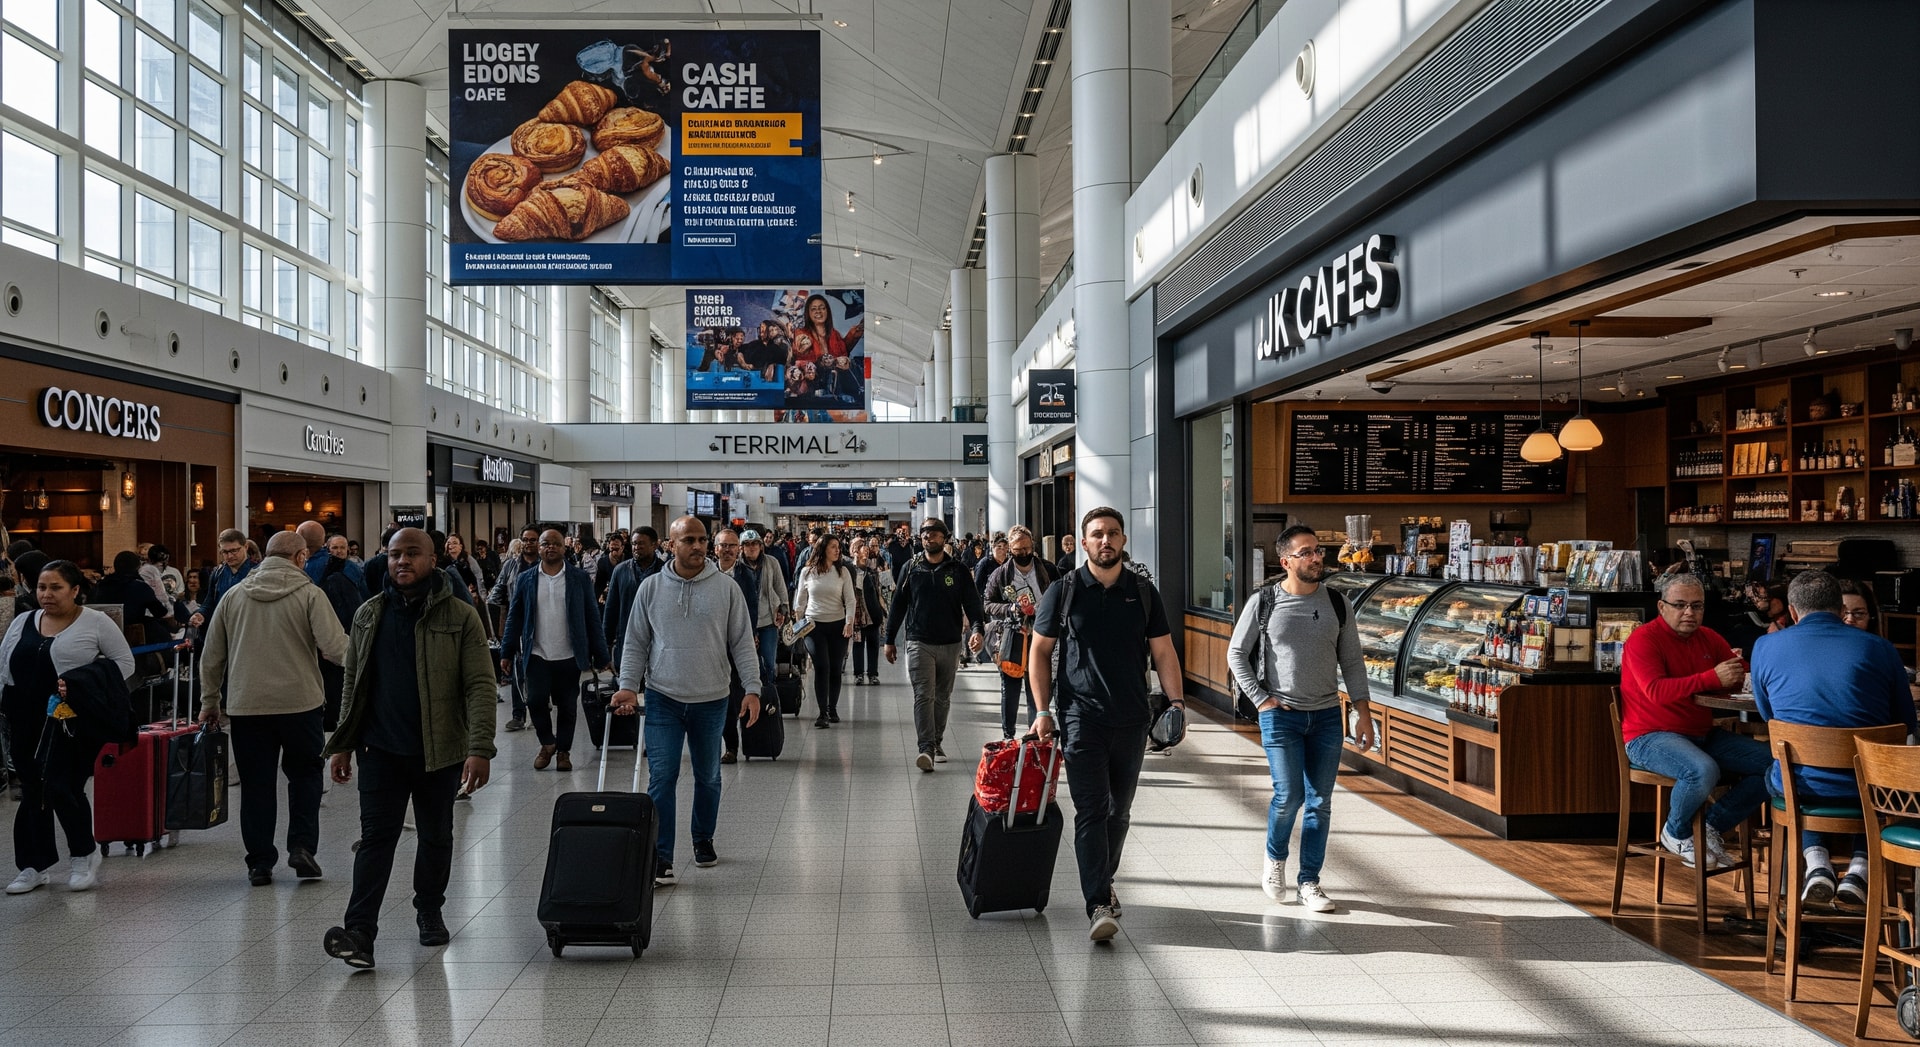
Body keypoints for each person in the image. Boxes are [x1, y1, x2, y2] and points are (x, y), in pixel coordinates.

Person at [322, 528, 496, 968]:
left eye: (412, 554)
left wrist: (480, 746)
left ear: (432, 560)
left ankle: (429, 908)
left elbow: (479, 684)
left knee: (436, 836)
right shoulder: (368, 614)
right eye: (395, 553)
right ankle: (360, 932)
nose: (402, 561)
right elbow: (353, 682)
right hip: (380, 749)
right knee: (376, 839)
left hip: (440, 749)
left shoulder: (460, 615)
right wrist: (343, 742)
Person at [1028, 507, 1185, 940]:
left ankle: (1105, 880)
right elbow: (1039, 653)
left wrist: (1176, 703)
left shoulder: (1143, 592)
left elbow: (1164, 652)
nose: (1105, 541)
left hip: (1133, 719)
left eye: (1113, 533)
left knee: (1119, 812)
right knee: (1091, 811)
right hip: (1081, 718)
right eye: (1097, 534)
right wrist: (1043, 711)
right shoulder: (1063, 591)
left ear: (1123, 539)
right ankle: (1097, 902)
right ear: (1083, 543)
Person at [1226, 525, 1376, 912]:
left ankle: (1309, 881)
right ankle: (1275, 861)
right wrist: (1261, 700)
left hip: (1326, 716)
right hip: (1281, 718)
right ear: (1286, 561)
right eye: (1306, 552)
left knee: (1320, 802)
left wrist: (1363, 713)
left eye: (1318, 551)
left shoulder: (1337, 603)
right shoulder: (1264, 602)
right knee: (1288, 796)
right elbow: (1236, 654)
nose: (1316, 558)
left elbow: (1353, 662)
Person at [609, 516, 761, 885]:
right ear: (671, 545)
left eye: (702, 540)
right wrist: (628, 684)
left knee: (708, 776)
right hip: (663, 697)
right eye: (689, 540)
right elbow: (636, 642)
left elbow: (742, 642)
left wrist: (753, 688)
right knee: (662, 776)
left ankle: (702, 838)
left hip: (712, 698)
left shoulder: (726, 589)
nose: (698, 546)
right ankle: (661, 855)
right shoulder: (651, 588)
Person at [1751, 571, 1917, 905]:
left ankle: (1816, 864)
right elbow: (1905, 725)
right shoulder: (1881, 649)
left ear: (1794, 612)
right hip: (1871, 791)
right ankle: (1859, 867)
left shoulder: (1765, 646)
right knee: (1878, 775)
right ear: (1839, 608)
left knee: (1788, 771)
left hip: (1799, 785)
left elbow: (1769, 716)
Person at [197, 531, 349, 886]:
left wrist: (210, 703)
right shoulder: (311, 594)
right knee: (306, 777)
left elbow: (212, 656)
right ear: (300, 557)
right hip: (301, 705)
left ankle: (260, 863)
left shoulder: (233, 596)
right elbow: (336, 649)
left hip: (248, 706)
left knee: (256, 785)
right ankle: (301, 847)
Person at [0, 561, 135, 894]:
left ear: (76, 591)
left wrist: (83, 684)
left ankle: (83, 854)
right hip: (25, 719)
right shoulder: (22, 622)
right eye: (42, 587)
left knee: (62, 786)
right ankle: (33, 865)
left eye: (56, 587)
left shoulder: (96, 623)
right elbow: (4, 666)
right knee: (33, 789)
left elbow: (125, 664)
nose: (46, 594)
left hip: (71, 721)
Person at [1620, 571, 1769, 870]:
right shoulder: (1642, 640)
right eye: (1680, 605)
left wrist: (1745, 674)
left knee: (1776, 766)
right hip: (1649, 736)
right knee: (1702, 770)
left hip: (1701, 734)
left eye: (1697, 606)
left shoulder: (1709, 638)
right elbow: (1656, 691)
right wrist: (1711, 677)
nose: (1689, 612)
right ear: (1662, 607)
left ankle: (1710, 826)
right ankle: (1675, 831)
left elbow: (1740, 671)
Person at [499, 530, 610, 772]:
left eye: (556, 544)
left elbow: (592, 617)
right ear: (538, 548)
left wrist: (602, 656)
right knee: (535, 701)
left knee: (568, 707)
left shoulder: (579, 578)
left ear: (564, 548)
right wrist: (506, 651)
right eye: (545, 544)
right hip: (537, 654)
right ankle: (548, 743)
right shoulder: (526, 579)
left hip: (569, 655)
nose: (550, 548)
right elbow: (514, 617)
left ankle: (563, 752)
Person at [884, 518, 986, 770]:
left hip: (950, 642)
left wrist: (977, 629)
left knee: (942, 697)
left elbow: (972, 604)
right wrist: (889, 639)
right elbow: (898, 605)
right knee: (923, 695)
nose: (929, 537)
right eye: (925, 534)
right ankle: (926, 748)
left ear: (945, 538)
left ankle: (937, 741)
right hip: (919, 641)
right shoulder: (911, 568)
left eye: (934, 533)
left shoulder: (957, 570)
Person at [983, 526, 1059, 739]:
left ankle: (1035, 732)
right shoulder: (1001, 575)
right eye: (1018, 550)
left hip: (1042, 635)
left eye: (1027, 548)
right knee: (1011, 686)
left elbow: (1061, 596)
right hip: (1014, 635)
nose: (1024, 553)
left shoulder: (1048, 569)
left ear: (1033, 546)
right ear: (1010, 550)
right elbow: (988, 604)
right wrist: (1011, 609)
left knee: (1038, 684)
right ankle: (1008, 735)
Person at [793, 534, 857, 728]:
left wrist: (849, 622)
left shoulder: (843, 572)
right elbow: (800, 601)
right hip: (814, 627)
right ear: (822, 550)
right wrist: (799, 625)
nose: (838, 550)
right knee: (822, 667)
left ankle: (832, 708)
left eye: (838, 547)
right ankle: (822, 712)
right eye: (833, 547)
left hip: (838, 625)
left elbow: (851, 600)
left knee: (835, 668)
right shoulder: (807, 572)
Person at [712, 529, 760, 764]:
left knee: (733, 695)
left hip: (736, 644)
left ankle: (732, 746)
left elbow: (751, 608)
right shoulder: (707, 574)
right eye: (724, 545)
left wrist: (750, 635)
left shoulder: (746, 575)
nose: (728, 550)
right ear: (716, 549)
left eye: (732, 545)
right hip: (711, 644)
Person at [488, 526, 541, 731]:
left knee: (537, 668)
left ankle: (538, 710)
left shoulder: (545, 564)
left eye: (533, 539)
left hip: (541, 621)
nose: (529, 543)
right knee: (518, 668)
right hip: (517, 621)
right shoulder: (511, 565)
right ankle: (518, 714)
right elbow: (499, 591)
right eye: (525, 539)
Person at [603, 526, 666, 670]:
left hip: (657, 642)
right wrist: (605, 645)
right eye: (634, 543)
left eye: (641, 543)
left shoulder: (665, 571)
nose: (637, 547)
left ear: (654, 545)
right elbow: (611, 608)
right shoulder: (621, 571)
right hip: (626, 638)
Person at [737, 530, 788, 690]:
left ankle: (769, 701)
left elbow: (780, 586)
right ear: (742, 548)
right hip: (743, 623)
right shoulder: (737, 566)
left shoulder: (771, 562)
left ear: (761, 546)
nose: (751, 548)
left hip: (767, 621)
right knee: (746, 664)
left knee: (769, 664)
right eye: (747, 544)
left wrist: (784, 608)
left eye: (755, 544)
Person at [848, 538, 889, 686]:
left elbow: (888, 586)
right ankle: (858, 673)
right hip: (858, 617)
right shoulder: (850, 571)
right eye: (861, 548)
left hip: (873, 615)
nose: (866, 550)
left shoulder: (873, 571)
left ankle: (873, 674)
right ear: (855, 552)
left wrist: (885, 572)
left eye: (867, 548)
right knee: (858, 645)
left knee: (873, 644)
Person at [443, 533, 484, 603]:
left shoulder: (468, 560)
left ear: (461, 546)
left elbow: (479, 578)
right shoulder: (444, 561)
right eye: (449, 543)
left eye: (454, 543)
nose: (451, 546)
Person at [594, 532, 627, 601]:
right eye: (612, 548)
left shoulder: (629, 560)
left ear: (622, 547)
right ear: (609, 546)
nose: (614, 551)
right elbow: (599, 584)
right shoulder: (602, 562)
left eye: (617, 548)